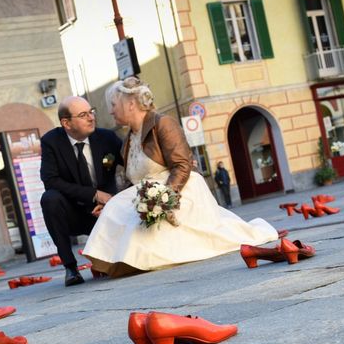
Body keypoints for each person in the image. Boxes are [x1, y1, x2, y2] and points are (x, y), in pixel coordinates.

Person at [83, 77, 277, 277]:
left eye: (114, 105)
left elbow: (182, 165)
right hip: (146, 194)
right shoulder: (128, 141)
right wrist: (114, 202)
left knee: (141, 228)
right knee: (115, 208)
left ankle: (132, 258)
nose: (111, 111)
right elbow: (130, 181)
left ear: (130, 104)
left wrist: (164, 199)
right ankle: (117, 260)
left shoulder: (162, 123)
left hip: (178, 188)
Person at [40, 96, 123, 287]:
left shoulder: (107, 138)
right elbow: (50, 180)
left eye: (91, 112)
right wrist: (93, 193)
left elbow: (133, 164)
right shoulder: (51, 142)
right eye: (83, 114)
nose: (91, 118)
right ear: (66, 123)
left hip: (107, 209)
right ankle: (70, 267)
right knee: (49, 199)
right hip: (74, 212)